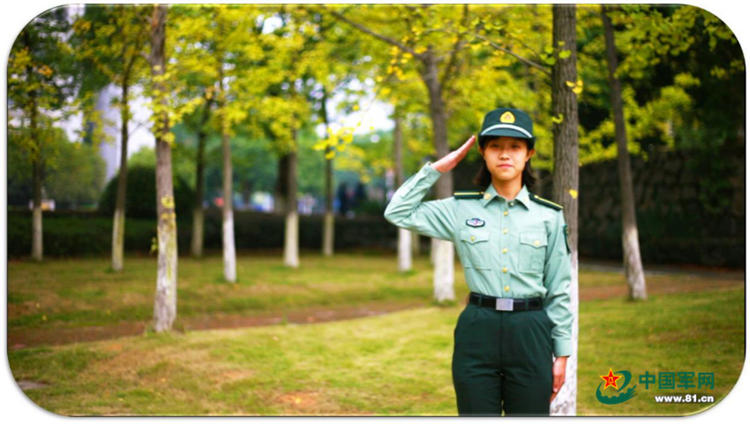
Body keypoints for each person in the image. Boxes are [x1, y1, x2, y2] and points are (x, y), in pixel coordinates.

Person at [384, 107, 573, 416]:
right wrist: (437, 169)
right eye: (496, 146)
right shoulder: (460, 208)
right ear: (483, 152)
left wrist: (562, 353)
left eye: (515, 146)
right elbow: (397, 211)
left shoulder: (549, 216)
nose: (505, 154)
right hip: (477, 330)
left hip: (531, 332)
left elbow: (559, 287)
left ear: (529, 154)